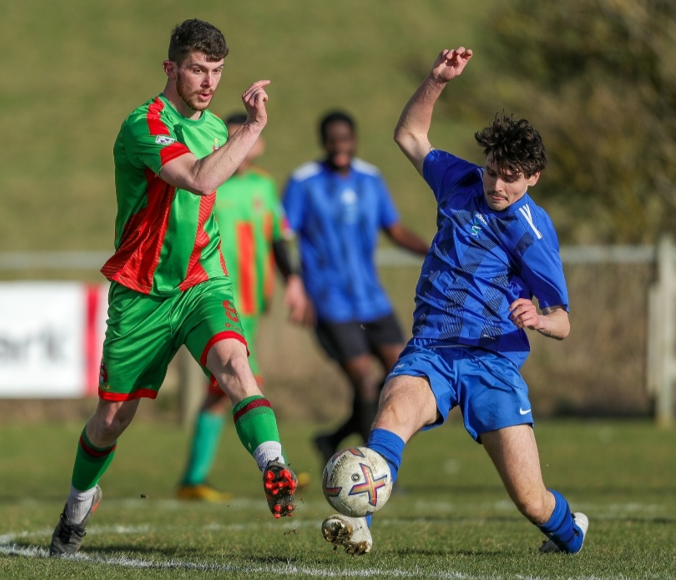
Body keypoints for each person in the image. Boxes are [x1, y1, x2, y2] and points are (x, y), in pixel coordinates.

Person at [320, 47, 589, 556]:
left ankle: (570, 533)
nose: (497, 185)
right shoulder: (460, 181)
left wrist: (539, 317)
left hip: (492, 362)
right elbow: (409, 136)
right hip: (432, 349)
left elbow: (564, 321)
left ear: (532, 178)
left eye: (510, 177)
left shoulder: (533, 233)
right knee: (392, 414)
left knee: (531, 500)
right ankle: (358, 523)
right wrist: (437, 81)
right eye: (492, 171)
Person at [49, 19, 298, 557]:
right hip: (141, 291)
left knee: (235, 364)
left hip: (200, 282)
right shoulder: (145, 124)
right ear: (171, 68)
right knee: (112, 419)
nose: (208, 82)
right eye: (197, 70)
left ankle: (273, 463)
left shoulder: (215, 130)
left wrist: (240, 135)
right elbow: (200, 179)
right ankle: (78, 503)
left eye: (217, 72)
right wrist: (250, 131)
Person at [282, 110, 429, 468]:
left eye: (345, 139)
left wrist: (436, 251)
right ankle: (373, 469)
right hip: (329, 301)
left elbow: (393, 230)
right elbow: (280, 235)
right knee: (364, 381)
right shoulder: (304, 183)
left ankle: (332, 438)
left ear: (354, 139)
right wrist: (294, 283)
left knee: (403, 376)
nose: (340, 147)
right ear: (324, 142)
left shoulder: (370, 179)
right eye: (333, 140)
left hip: (371, 298)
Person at [177, 112, 312, 501]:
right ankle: (274, 465)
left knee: (224, 389)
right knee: (242, 382)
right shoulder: (208, 186)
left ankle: (194, 478)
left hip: (254, 303)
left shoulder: (264, 185)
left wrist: (295, 283)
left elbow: (276, 239)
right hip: (219, 300)